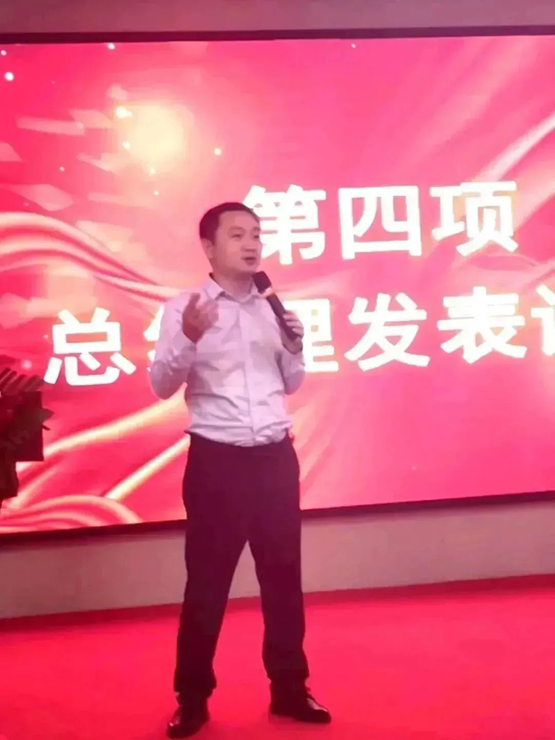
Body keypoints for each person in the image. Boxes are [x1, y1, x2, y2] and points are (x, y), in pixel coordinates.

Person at [150, 202, 331, 738]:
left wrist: (294, 346)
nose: (251, 244)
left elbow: (290, 383)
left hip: (274, 458)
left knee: (283, 578)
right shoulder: (184, 308)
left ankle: (290, 688)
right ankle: (192, 697)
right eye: (237, 235)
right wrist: (188, 337)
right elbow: (161, 384)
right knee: (208, 583)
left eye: (256, 234)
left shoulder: (272, 308)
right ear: (209, 247)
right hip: (218, 462)